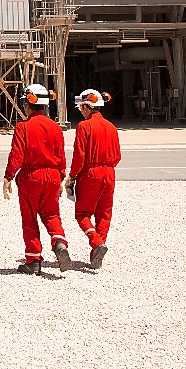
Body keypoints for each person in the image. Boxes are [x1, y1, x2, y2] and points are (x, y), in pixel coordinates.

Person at [3, 83, 71, 275]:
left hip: (30, 177)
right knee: (52, 214)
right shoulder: (56, 128)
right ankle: (59, 242)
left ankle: (33, 259)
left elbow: (17, 155)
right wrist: (61, 177)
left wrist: (8, 177)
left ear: (27, 105)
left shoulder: (23, 127)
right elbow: (61, 156)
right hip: (52, 175)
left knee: (30, 218)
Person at [64, 89, 121, 269]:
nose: (81, 110)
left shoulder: (84, 126)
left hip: (91, 173)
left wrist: (72, 177)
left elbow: (79, 156)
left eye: (82, 107)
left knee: (82, 214)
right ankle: (97, 254)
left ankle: (96, 243)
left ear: (87, 107)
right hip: (110, 173)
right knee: (104, 214)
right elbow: (118, 155)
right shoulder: (111, 127)